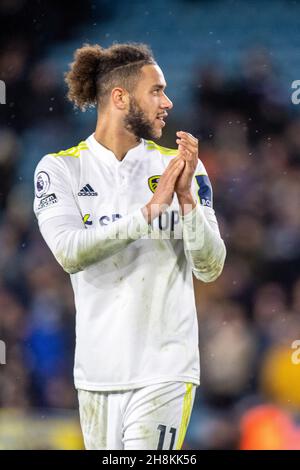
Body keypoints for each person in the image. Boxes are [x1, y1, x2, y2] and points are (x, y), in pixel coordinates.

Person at [33, 42, 226, 450]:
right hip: (96, 374)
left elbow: (210, 267)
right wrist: (148, 213)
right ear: (120, 97)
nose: (168, 101)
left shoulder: (178, 167)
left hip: (166, 369)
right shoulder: (60, 168)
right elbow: (69, 252)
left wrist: (187, 200)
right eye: (156, 90)